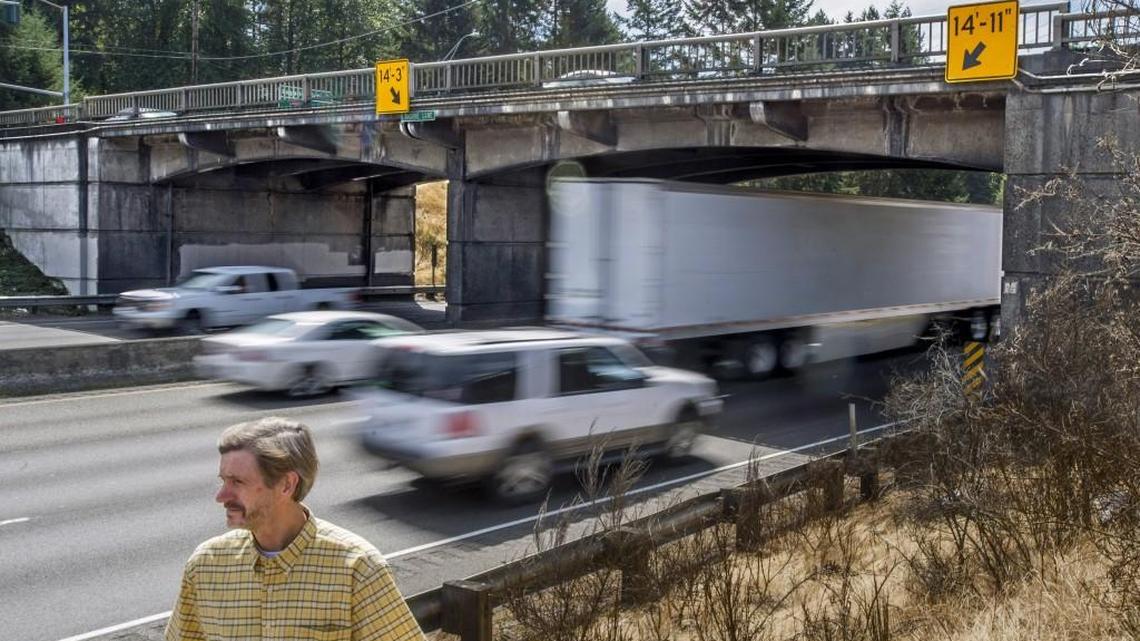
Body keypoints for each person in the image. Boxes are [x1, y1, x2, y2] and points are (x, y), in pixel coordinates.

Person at [165, 417, 425, 641]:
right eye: (223, 480)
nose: (221, 496)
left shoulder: (358, 569)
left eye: (237, 482)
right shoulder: (205, 566)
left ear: (286, 485)